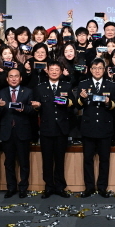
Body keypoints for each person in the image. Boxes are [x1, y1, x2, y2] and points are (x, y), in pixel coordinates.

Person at [32, 61, 75, 198]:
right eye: (52, 69)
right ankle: (49, 187)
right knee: (47, 160)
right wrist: (37, 106)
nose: (54, 72)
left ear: (61, 72)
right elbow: (36, 107)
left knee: (60, 160)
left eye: (57, 70)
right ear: (47, 71)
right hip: (46, 129)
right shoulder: (40, 87)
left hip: (62, 129)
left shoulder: (66, 86)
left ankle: (60, 187)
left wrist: (66, 102)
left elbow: (73, 104)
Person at [77, 58, 115, 197]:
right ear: (90, 70)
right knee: (88, 160)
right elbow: (78, 105)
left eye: (100, 68)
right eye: (94, 68)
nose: (97, 70)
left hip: (105, 127)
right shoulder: (83, 84)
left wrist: (108, 102)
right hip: (88, 127)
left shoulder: (111, 85)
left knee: (104, 160)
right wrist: (82, 98)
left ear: (104, 70)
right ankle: (89, 187)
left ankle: (102, 187)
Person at [0, 68, 35, 198]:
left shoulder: (28, 91)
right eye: (11, 76)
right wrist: (0, 107)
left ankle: (23, 188)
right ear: (7, 79)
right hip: (7, 132)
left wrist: (23, 108)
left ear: (21, 78)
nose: (13, 79)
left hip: (22, 131)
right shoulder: (1, 92)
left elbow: (33, 110)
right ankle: (11, 187)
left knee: (24, 162)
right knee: (9, 162)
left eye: (16, 76)